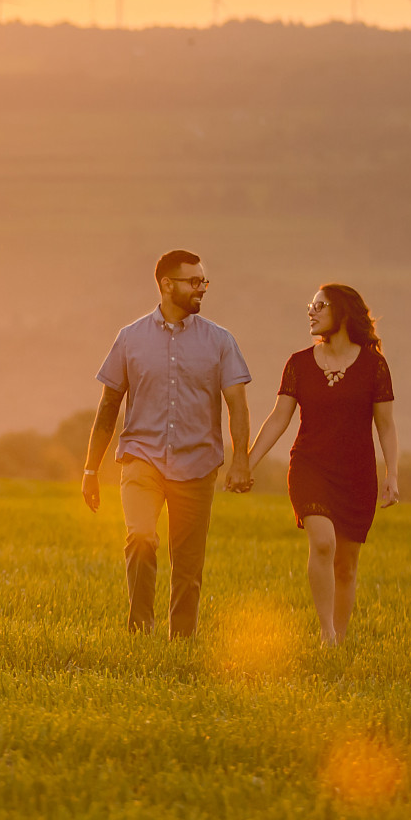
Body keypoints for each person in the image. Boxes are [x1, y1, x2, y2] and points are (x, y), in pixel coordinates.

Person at [82, 250, 254, 637]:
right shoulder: (130, 338)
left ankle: (181, 642)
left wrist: (240, 460)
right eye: (194, 281)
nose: (201, 289)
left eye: (203, 281)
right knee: (141, 537)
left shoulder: (220, 341)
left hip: (197, 464)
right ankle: (141, 630)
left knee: (188, 566)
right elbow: (109, 405)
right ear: (166, 285)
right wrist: (91, 468)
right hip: (142, 458)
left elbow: (237, 405)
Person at [245, 283, 400, 646]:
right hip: (310, 467)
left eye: (320, 305)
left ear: (342, 313)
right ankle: (325, 632)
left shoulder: (374, 366)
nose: (311, 312)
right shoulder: (298, 364)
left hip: (357, 474)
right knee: (324, 543)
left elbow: (386, 426)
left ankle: (339, 641)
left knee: (345, 565)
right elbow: (279, 418)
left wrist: (392, 474)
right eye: (310, 306)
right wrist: (247, 463)